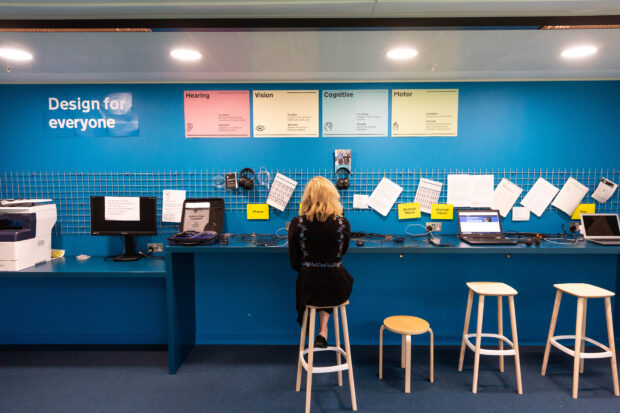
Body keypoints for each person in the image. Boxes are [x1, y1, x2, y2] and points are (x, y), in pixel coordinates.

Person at [288, 176, 353, 348]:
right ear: (332, 196)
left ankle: (313, 330)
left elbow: (294, 262)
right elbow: (342, 252)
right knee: (328, 282)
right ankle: (322, 331)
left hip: (309, 285)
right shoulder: (343, 223)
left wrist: (311, 267)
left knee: (314, 284)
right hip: (337, 286)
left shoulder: (297, 223)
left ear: (307, 198)